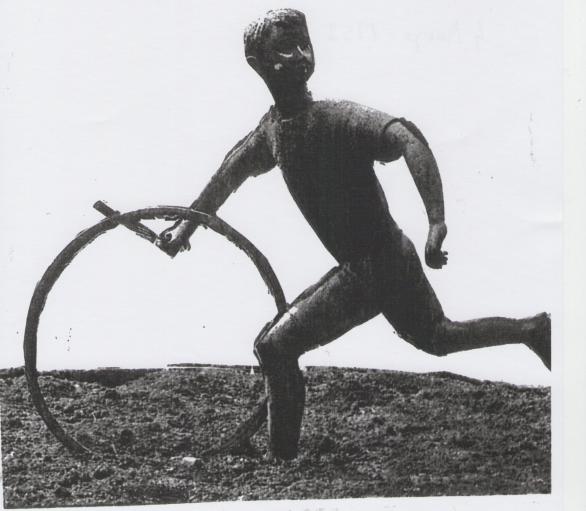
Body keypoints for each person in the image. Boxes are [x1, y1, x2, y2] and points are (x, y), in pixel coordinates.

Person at [158, 9, 551, 461]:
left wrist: (437, 220)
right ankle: (532, 329)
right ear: (257, 63)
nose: (300, 56)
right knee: (438, 337)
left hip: (373, 266)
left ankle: (280, 460)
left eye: (304, 44)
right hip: (389, 258)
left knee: (275, 347)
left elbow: (407, 138)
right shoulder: (272, 132)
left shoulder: (334, 119)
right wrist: (185, 226)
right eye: (284, 49)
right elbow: (229, 173)